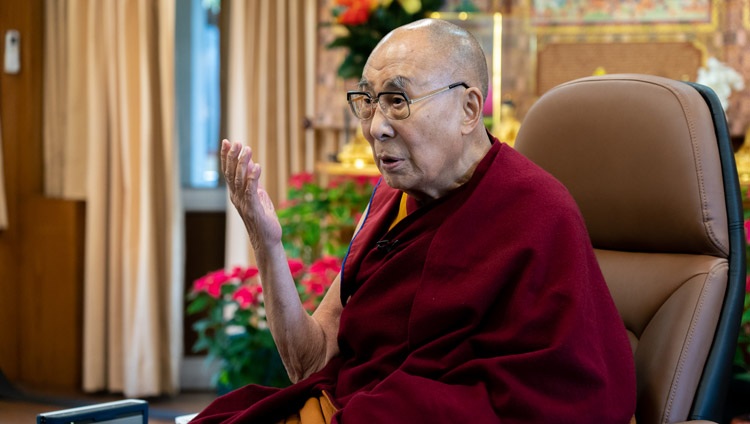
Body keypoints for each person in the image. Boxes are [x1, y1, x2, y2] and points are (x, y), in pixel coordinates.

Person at [192, 18, 636, 423]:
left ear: (468, 108)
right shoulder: (391, 201)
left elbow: (562, 398)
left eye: (397, 101)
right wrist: (267, 244)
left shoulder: (537, 213)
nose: (375, 128)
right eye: (367, 101)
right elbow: (312, 362)